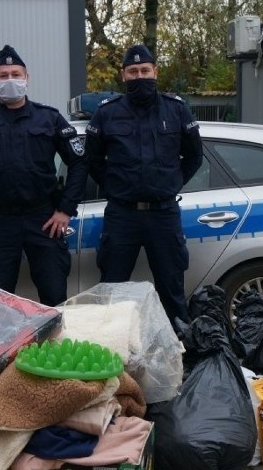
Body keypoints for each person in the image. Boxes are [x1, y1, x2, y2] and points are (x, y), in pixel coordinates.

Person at [0, 45, 87, 306]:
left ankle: (54, 345)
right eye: (3, 75)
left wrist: (66, 210)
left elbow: (79, 163)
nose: (10, 80)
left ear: (27, 78)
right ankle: (7, 348)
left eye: (15, 73)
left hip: (44, 220)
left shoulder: (49, 118)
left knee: (54, 296)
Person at [84, 44, 203, 327]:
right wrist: (117, 187)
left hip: (163, 214)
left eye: (144, 71)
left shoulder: (176, 110)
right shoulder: (106, 113)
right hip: (122, 215)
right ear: (123, 75)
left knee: (172, 290)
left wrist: (169, 184)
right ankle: (110, 354)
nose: (139, 76)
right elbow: (93, 160)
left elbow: (195, 157)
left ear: (155, 72)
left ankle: (178, 357)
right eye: (133, 72)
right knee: (111, 289)